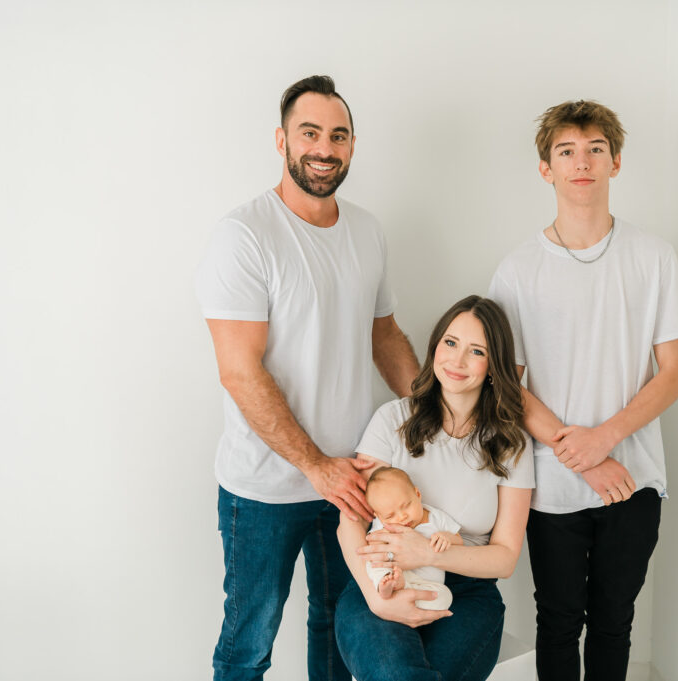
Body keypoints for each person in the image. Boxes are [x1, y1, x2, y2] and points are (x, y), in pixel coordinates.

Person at [195, 75, 419, 681]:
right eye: (310, 132)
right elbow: (239, 372)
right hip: (264, 487)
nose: (325, 147)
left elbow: (385, 334)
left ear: (352, 146)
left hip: (352, 480)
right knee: (249, 642)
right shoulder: (244, 236)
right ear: (281, 140)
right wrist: (314, 465)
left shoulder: (368, 230)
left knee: (338, 628)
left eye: (338, 135)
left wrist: (430, 413)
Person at [487, 100, 678, 681]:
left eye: (595, 150)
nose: (581, 162)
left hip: (633, 480)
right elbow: (505, 383)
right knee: (556, 622)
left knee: (614, 621)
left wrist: (606, 441)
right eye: (566, 151)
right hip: (551, 485)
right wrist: (578, 455)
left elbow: (676, 371)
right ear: (545, 168)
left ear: (616, 162)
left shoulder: (654, 258)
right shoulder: (517, 270)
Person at [333, 295, 534, 681]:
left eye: (477, 351)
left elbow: (505, 558)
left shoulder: (511, 443)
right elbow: (351, 522)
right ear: (435, 346)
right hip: (380, 576)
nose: (457, 361)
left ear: (494, 366)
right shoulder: (393, 419)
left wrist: (427, 552)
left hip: (467, 593)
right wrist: (377, 598)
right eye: (450, 342)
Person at [363, 466, 462, 610]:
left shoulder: (435, 518)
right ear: (378, 516)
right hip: (394, 575)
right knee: (373, 563)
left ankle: (403, 593)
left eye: (406, 506)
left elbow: (460, 541)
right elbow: (372, 545)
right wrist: (384, 535)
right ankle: (387, 586)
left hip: (427, 585)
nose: (402, 517)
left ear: (417, 494)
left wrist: (446, 537)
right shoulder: (384, 526)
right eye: (390, 516)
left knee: (445, 597)